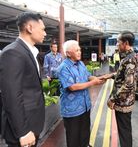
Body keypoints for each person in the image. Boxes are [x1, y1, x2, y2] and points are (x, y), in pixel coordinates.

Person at [0, 12, 46, 147]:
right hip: (23, 130)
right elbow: (11, 96)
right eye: (43, 29)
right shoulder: (13, 52)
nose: (45, 34)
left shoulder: (28, 52)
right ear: (30, 28)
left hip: (31, 125)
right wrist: (23, 132)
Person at [57, 40, 106, 147]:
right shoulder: (63, 68)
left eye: (80, 50)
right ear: (68, 53)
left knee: (84, 133)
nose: (80, 52)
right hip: (72, 110)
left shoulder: (81, 64)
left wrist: (96, 78)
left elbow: (88, 75)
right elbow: (72, 87)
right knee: (73, 137)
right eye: (77, 50)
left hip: (85, 106)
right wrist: (93, 82)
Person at [107, 31, 138, 147]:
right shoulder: (130, 56)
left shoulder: (129, 59)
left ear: (125, 43)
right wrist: (111, 76)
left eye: (118, 42)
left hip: (123, 102)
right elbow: (125, 75)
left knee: (124, 132)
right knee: (125, 130)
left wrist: (113, 99)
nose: (117, 45)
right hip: (125, 100)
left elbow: (128, 84)